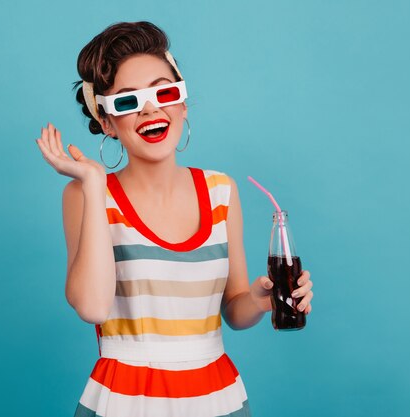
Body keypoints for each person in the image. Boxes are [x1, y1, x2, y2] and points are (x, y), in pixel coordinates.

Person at [35, 21, 314, 417]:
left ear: (183, 103)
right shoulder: (85, 194)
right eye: (128, 102)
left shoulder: (221, 190)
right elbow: (93, 308)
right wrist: (95, 182)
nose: (151, 109)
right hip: (127, 399)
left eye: (163, 92)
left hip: (216, 395)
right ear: (107, 123)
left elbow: (233, 309)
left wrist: (259, 299)